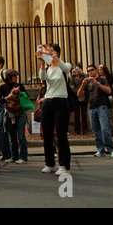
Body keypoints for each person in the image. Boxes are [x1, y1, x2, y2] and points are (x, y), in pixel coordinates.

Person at [36, 43, 72, 176]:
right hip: (48, 101)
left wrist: (52, 55)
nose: (48, 52)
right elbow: (42, 78)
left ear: (56, 52)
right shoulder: (48, 68)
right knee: (47, 135)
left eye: (51, 50)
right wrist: (41, 62)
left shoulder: (65, 66)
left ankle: (64, 165)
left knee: (61, 135)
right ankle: (49, 163)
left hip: (61, 100)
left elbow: (62, 66)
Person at [78, 65, 113, 157]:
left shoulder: (102, 80)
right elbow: (79, 95)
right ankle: (100, 150)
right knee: (96, 130)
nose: (90, 72)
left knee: (105, 129)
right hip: (91, 107)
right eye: (88, 71)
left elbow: (109, 91)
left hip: (101, 106)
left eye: (92, 70)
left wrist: (98, 83)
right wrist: (83, 84)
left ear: (96, 71)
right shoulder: (87, 83)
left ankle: (111, 149)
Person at [0, 69, 28, 164]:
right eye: (15, 76)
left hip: (19, 112)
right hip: (9, 113)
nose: (16, 78)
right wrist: (8, 98)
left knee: (22, 136)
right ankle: (14, 156)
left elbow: (26, 98)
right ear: (9, 78)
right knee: (12, 136)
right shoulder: (2, 88)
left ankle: (23, 156)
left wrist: (20, 93)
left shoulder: (20, 86)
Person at [98, 64, 113, 136]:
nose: (99, 71)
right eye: (99, 70)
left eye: (100, 70)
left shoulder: (109, 77)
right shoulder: (99, 78)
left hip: (108, 98)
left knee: (109, 116)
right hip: (101, 98)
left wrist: (112, 91)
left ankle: (111, 132)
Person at [70, 64, 89, 135]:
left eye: (78, 69)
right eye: (76, 69)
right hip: (76, 96)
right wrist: (72, 74)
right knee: (76, 114)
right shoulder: (74, 77)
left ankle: (85, 129)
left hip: (83, 96)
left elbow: (87, 81)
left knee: (84, 114)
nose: (77, 71)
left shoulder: (84, 76)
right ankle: (77, 130)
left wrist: (82, 73)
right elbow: (71, 84)